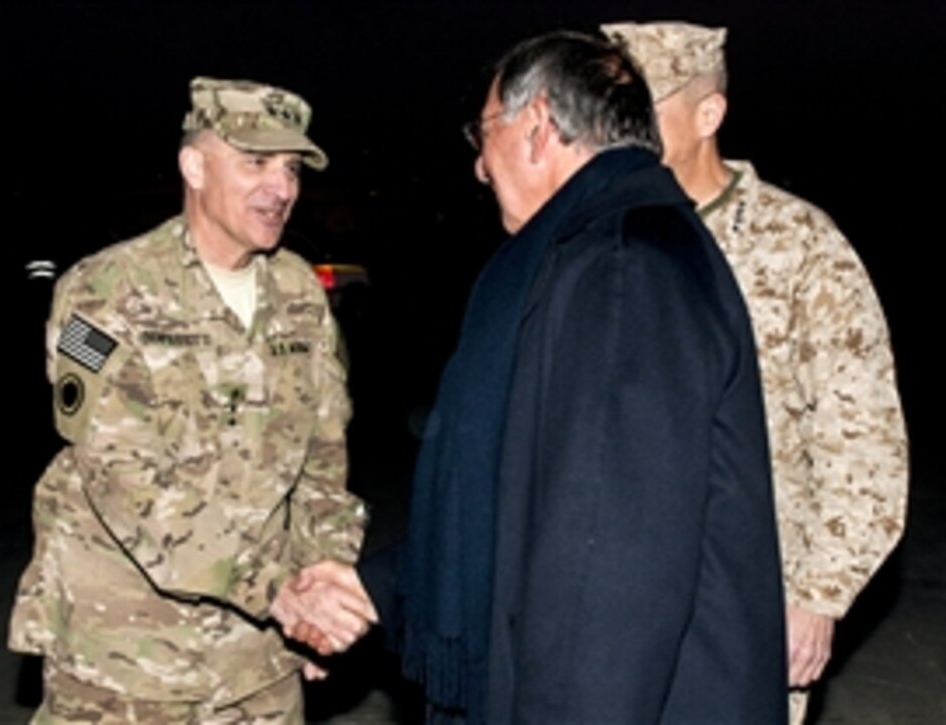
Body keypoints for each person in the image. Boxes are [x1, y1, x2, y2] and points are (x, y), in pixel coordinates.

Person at [294, 30, 788, 723]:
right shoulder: (598, 249)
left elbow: (602, 575)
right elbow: (518, 496)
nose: (477, 166)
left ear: (537, 126)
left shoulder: (623, 271)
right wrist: (377, 583)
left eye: (483, 132)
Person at [8, 77, 377, 724]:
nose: (281, 187)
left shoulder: (297, 291)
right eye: (256, 161)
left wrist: (324, 576)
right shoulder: (106, 292)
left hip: (258, 662)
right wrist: (283, 591)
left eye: (291, 167)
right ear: (194, 165)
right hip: (124, 661)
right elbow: (121, 477)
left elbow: (322, 456)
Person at [600, 21, 909, 723]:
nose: (620, 128)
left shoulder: (798, 246)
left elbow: (862, 435)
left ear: (708, 114)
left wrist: (818, 594)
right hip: (619, 593)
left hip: (746, 595)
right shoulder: (608, 232)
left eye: (642, 107)